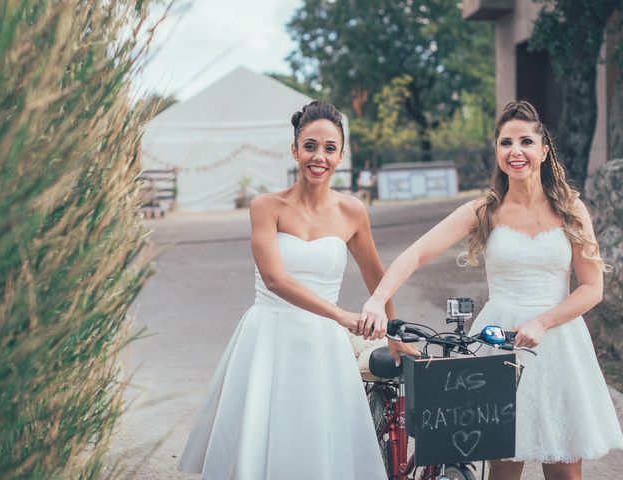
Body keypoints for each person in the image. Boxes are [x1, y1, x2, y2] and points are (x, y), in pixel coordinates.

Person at [360, 100, 623, 480]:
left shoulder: (571, 209)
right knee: (502, 463)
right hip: (498, 344)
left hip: (559, 341)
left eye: (526, 142)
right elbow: (417, 253)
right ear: (497, 151)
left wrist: (544, 322)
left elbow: (592, 288)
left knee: (565, 468)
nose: (516, 151)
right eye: (506, 143)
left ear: (544, 150)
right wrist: (376, 299)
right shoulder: (485, 210)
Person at [178, 100, 419, 480]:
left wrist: (393, 330)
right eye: (309, 146)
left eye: (329, 148)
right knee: (262, 443)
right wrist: (341, 315)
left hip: (323, 345)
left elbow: (376, 275)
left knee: (317, 442)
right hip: (268, 337)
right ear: (294, 150)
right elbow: (274, 279)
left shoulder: (352, 212)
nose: (318, 157)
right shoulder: (266, 207)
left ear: (341, 155)